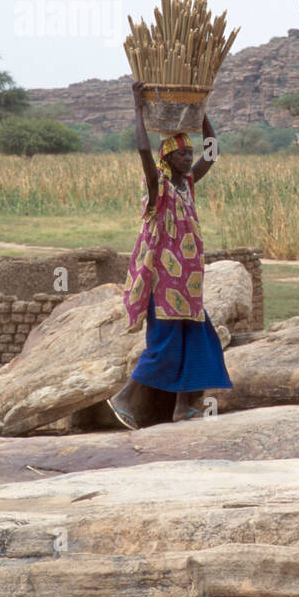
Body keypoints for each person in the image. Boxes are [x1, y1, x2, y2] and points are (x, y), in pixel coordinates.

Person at [107, 80, 233, 428]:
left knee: (198, 342)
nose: (189, 158)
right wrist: (137, 109)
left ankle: (182, 408)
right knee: (162, 346)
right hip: (164, 283)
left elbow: (213, 151)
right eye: (182, 154)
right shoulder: (158, 187)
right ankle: (122, 398)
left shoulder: (187, 184)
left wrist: (202, 111)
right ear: (167, 157)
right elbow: (142, 153)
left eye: (189, 154)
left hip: (188, 284)